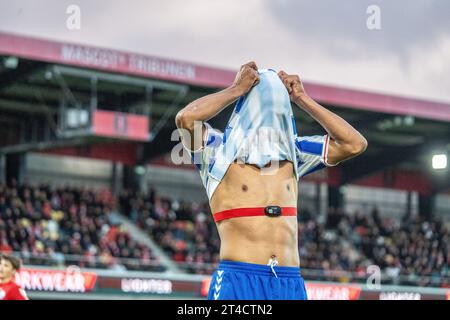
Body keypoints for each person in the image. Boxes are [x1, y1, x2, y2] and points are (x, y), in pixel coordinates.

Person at [175, 61, 367, 300]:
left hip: (289, 281)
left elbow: (355, 144)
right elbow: (185, 119)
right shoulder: (217, 150)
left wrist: (302, 99)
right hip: (239, 279)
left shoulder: (294, 152)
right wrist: (236, 89)